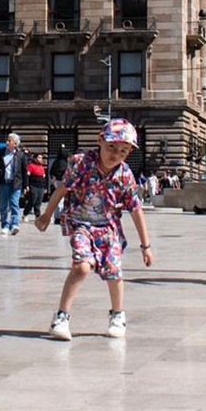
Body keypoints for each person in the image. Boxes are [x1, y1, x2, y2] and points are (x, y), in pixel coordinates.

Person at [35, 118, 155, 340]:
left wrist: (145, 246)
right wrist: (47, 214)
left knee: (114, 271)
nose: (115, 154)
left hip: (108, 228)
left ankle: (117, 315)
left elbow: (136, 209)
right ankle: (61, 317)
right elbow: (63, 189)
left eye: (123, 151)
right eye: (111, 147)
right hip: (80, 223)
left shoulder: (125, 174)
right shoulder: (81, 163)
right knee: (81, 267)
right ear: (100, 140)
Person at [0, 133, 28, 236]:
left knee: (14, 204)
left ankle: (14, 224)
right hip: (3, 183)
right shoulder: (0, 153)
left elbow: (24, 171)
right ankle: (5, 226)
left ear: (15, 144)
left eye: (9, 140)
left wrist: (26, 185)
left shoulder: (20, 155)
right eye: (7, 140)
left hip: (16, 183)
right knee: (3, 205)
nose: (7, 142)